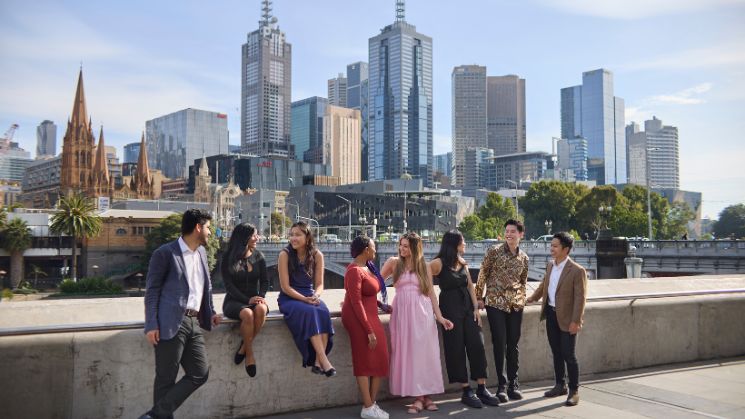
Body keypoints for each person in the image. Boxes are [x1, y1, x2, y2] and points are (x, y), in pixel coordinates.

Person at [141, 209, 221, 419]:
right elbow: (152, 291)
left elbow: (206, 286)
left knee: (200, 373)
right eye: (208, 227)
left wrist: (210, 311)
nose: (210, 232)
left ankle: (153, 416)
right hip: (169, 321)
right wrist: (151, 324)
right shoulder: (165, 253)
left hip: (194, 321)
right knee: (165, 378)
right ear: (197, 227)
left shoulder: (203, 253)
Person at [382, 232, 454, 414]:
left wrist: (439, 317)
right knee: (408, 354)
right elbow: (376, 284)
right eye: (401, 245)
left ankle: (423, 397)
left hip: (422, 314)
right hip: (402, 314)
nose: (402, 249)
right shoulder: (393, 263)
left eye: (406, 246)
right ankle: (421, 397)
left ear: (415, 248)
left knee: (424, 354)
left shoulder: (423, 265)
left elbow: (430, 293)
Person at [431, 230, 500, 409]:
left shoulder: (462, 262)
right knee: (456, 347)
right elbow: (424, 283)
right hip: (449, 308)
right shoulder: (437, 263)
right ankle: (466, 390)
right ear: (454, 244)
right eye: (463, 241)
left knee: (477, 344)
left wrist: (476, 308)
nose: (465, 244)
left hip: (468, 308)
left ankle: (482, 388)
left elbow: (470, 285)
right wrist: (436, 312)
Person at [527, 232, 588, 406]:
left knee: (569, 355)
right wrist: (532, 298)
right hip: (551, 315)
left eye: (555, 246)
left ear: (565, 249)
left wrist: (576, 321)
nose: (551, 248)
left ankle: (574, 390)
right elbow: (544, 285)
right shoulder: (550, 266)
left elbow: (580, 299)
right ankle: (559, 385)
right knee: (556, 353)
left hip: (568, 318)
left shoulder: (577, 270)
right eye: (551, 245)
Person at [475, 219, 529, 403]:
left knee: (513, 345)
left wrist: (522, 299)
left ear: (521, 234)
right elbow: (483, 274)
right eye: (507, 231)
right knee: (500, 343)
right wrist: (479, 297)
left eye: (513, 231)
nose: (509, 234)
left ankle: (514, 384)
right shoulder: (494, 251)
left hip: (516, 305)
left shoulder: (524, 258)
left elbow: (523, 281)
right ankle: (502, 386)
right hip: (495, 303)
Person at [341, 236, 390, 419]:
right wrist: (368, 330)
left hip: (370, 314)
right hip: (357, 317)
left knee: (381, 358)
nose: (375, 251)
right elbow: (355, 301)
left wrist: (382, 305)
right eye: (373, 247)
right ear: (365, 250)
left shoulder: (368, 268)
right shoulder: (353, 271)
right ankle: (368, 406)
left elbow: (368, 294)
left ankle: (371, 404)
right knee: (363, 359)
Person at [277, 221, 335, 376]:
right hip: (290, 298)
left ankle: (317, 362)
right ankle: (324, 360)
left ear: (307, 238)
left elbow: (320, 284)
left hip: (309, 295)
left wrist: (316, 295)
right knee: (310, 312)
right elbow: (285, 287)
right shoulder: (284, 255)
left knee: (323, 311)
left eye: (298, 235)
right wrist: (305, 299)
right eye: (291, 235)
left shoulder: (317, 255)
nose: (293, 238)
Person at [221, 223, 269, 377]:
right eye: (254, 235)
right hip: (234, 301)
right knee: (248, 314)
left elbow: (265, 282)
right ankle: (249, 355)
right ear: (245, 237)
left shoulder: (259, 256)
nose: (257, 238)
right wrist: (248, 300)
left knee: (261, 309)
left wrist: (260, 297)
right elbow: (229, 286)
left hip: (255, 300)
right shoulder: (228, 258)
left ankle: (243, 347)